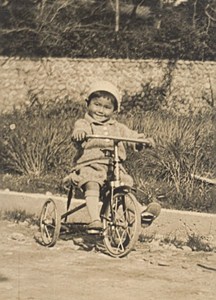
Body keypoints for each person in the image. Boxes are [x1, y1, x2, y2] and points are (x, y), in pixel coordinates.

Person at [66, 80, 161, 231]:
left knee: (124, 186)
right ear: (88, 104)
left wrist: (142, 141)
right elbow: (79, 129)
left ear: (115, 110)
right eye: (97, 104)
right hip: (90, 165)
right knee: (92, 181)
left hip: (113, 167)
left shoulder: (118, 127)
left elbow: (131, 136)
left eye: (107, 107)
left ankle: (140, 213)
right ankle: (95, 219)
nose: (101, 110)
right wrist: (80, 134)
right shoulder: (85, 123)